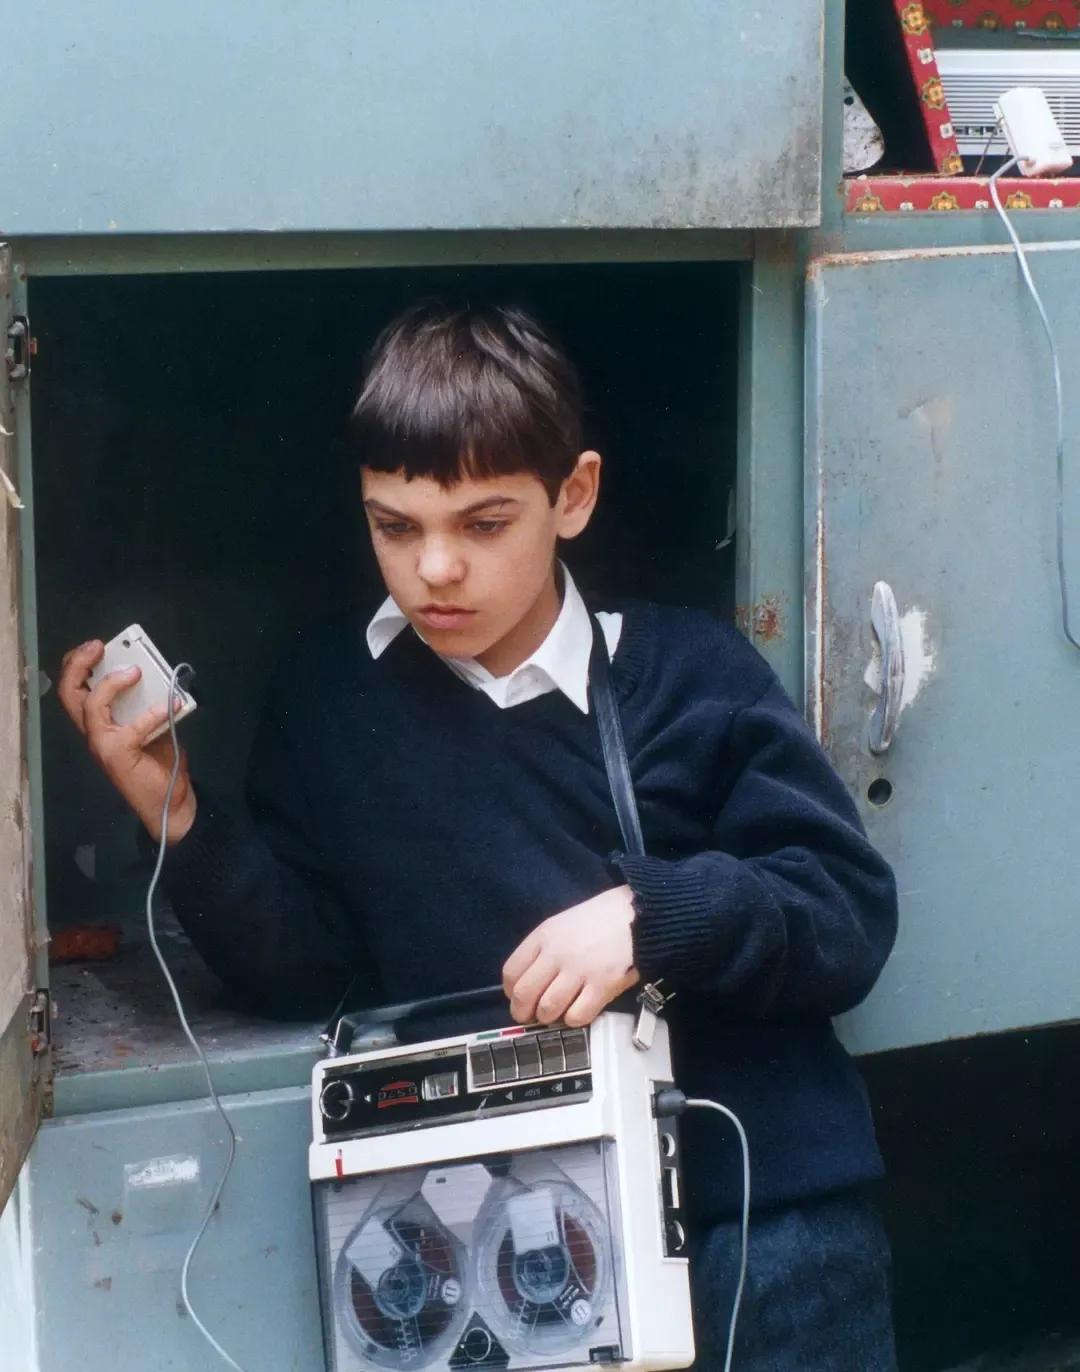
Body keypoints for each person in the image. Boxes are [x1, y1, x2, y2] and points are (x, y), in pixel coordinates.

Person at [58, 300, 899, 1370]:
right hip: (517, 1254)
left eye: (484, 522)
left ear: (574, 495)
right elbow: (307, 965)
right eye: (395, 525)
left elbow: (847, 914)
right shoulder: (327, 697)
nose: (435, 570)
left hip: (765, 1224)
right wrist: (173, 805)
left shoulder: (692, 671)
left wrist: (654, 916)